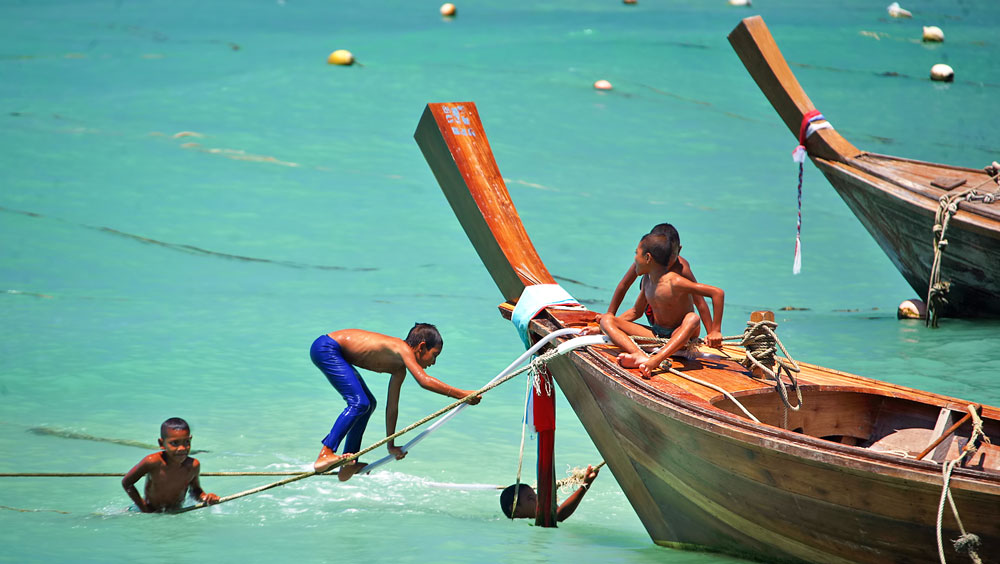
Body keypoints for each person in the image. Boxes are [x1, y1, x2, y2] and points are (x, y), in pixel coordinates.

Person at [310, 322, 481, 480]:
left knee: (369, 404)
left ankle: (349, 461)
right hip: (326, 347)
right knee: (359, 402)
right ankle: (326, 453)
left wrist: (390, 445)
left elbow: (392, 408)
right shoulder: (401, 348)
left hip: (334, 352)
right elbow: (424, 381)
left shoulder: (399, 369)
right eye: (434, 355)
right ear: (422, 347)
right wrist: (462, 395)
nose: (434, 362)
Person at [600, 231, 724, 379]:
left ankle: (655, 360)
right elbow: (635, 311)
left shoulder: (674, 281)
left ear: (647, 258)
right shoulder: (647, 281)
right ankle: (638, 355)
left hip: (682, 335)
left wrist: (714, 331)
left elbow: (717, 293)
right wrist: (603, 326)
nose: (634, 258)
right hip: (657, 334)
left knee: (692, 318)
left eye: (636, 254)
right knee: (607, 319)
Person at [586, 223, 720, 349]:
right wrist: (609, 317)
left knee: (690, 319)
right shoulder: (645, 268)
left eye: (672, 254)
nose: (668, 259)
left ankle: (667, 348)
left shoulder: (681, 270)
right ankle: (643, 351)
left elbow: (700, 302)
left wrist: (712, 332)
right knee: (611, 320)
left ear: (679, 250)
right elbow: (626, 289)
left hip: (682, 328)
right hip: (658, 324)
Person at [121, 417, 219, 513]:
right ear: (161, 443)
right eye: (175, 443)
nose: (182, 448)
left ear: (191, 439)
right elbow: (127, 483)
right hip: (149, 510)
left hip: (175, 512)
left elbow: (195, 490)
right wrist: (144, 508)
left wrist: (206, 497)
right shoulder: (153, 462)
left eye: (186, 442)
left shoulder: (193, 465)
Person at [500, 465, 600, 522]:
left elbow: (555, 511)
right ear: (515, 511)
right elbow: (557, 516)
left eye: (535, 495)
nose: (537, 499)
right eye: (531, 498)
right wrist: (585, 486)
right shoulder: (529, 524)